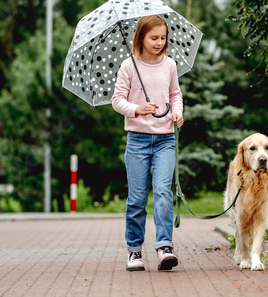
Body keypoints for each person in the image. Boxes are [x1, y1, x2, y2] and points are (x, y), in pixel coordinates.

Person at [111, 15, 184, 272]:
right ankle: (134, 251)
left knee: (164, 192)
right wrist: (136, 109)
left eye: (163, 38)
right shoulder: (128, 66)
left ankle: (165, 246)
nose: (159, 42)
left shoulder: (170, 65)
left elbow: (175, 94)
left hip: (165, 139)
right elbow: (117, 100)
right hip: (138, 141)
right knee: (137, 198)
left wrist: (177, 112)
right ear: (141, 37)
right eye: (154, 38)